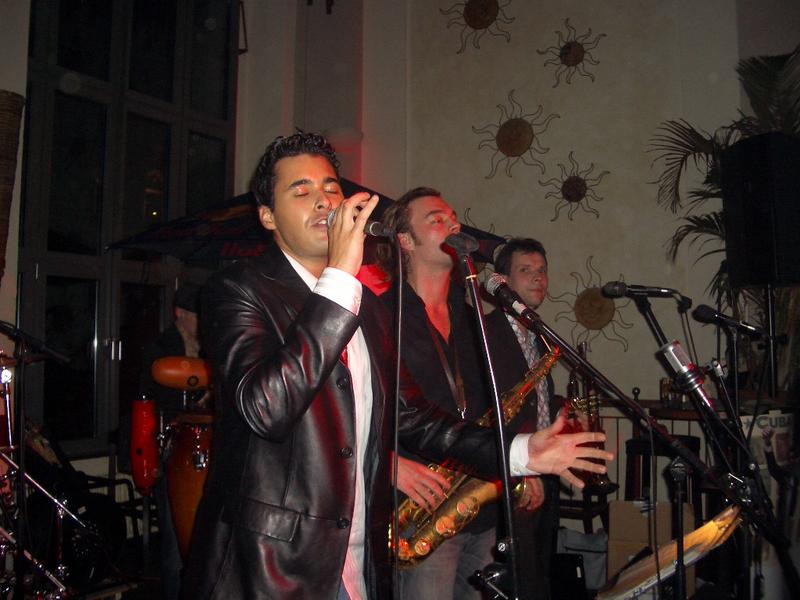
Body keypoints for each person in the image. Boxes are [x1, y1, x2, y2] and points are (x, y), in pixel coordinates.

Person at [180, 132, 612, 600]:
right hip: (273, 566)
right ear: (267, 215)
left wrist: (521, 452)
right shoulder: (239, 289)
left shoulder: (366, 306)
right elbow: (266, 409)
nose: (323, 200)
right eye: (300, 191)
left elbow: (414, 418)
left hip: (358, 557)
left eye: (330, 187)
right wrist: (339, 277)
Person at [376, 188, 550, 599]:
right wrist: (387, 463)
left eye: (452, 217)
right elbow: (352, 408)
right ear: (405, 240)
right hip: (419, 506)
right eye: (436, 219)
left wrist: (520, 464)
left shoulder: (472, 317)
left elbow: (497, 403)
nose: (452, 224)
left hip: (480, 504)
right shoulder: (382, 315)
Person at [485, 238, 559, 600]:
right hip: (513, 473)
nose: (538, 278)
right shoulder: (487, 332)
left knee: (539, 570)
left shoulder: (539, 335)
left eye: (542, 271)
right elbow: (494, 411)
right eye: (526, 270)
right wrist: (523, 471)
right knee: (519, 576)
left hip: (543, 470)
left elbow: (535, 402)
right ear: (503, 281)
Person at [139, 282, 205, 600]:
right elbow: (150, 399)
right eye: (196, 315)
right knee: (175, 541)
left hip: (205, 448)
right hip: (172, 450)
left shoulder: (209, 348)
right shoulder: (160, 349)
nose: (202, 322)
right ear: (180, 313)